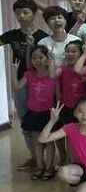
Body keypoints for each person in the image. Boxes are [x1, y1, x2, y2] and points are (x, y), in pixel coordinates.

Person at [1, 0, 48, 169]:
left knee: (42, 119)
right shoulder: (10, 35)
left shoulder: (43, 37)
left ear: (34, 14)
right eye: (18, 13)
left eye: (25, 12)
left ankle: (46, 157)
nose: (21, 16)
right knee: (25, 121)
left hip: (40, 84)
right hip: (19, 83)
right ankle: (34, 156)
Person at [10, 45, 58, 180]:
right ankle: (40, 167)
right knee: (37, 141)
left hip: (48, 114)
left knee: (49, 141)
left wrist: (52, 61)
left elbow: (53, 76)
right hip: (34, 113)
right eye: (34, 58)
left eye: (41, 57)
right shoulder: (29, 74)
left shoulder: (52, 73)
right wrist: (14, 71)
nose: (37, 61)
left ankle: (50, 168)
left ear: (47, 58)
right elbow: (16, 86)